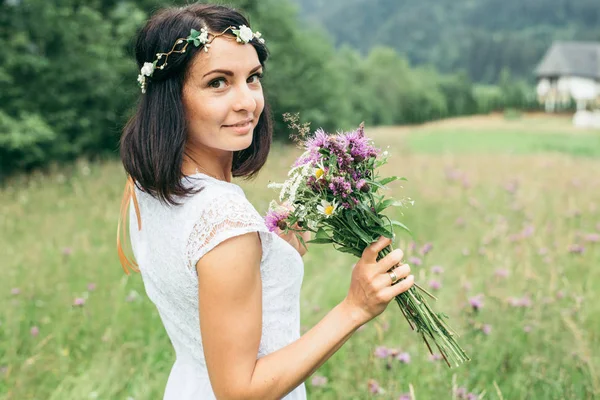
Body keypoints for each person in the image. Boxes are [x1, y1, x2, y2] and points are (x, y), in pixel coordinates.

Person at [116, 3, 415, 399]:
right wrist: (354, 308)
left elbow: (198, 279)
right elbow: (240, 392)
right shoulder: (225, 221)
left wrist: (274, 251)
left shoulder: (145, 188)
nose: (247, 102)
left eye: (252, 78)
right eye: (218, 83)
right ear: (171, 96)